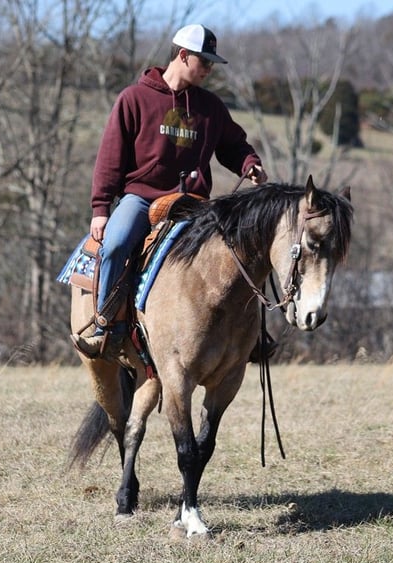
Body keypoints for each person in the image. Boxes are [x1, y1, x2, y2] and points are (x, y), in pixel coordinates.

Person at [72, 24, 268, 359]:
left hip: (193, 205)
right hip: (141, 199)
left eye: (211, 63)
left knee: (241, 248)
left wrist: (249, 163)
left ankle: (252, 334)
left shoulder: (210, 107)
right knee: (116, 243)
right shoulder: (134, 99)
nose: (208, 69)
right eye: (203, 62)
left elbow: (233, 145)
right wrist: (101, 208)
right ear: (182, 55)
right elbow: (109, 158)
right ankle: (106, 325)